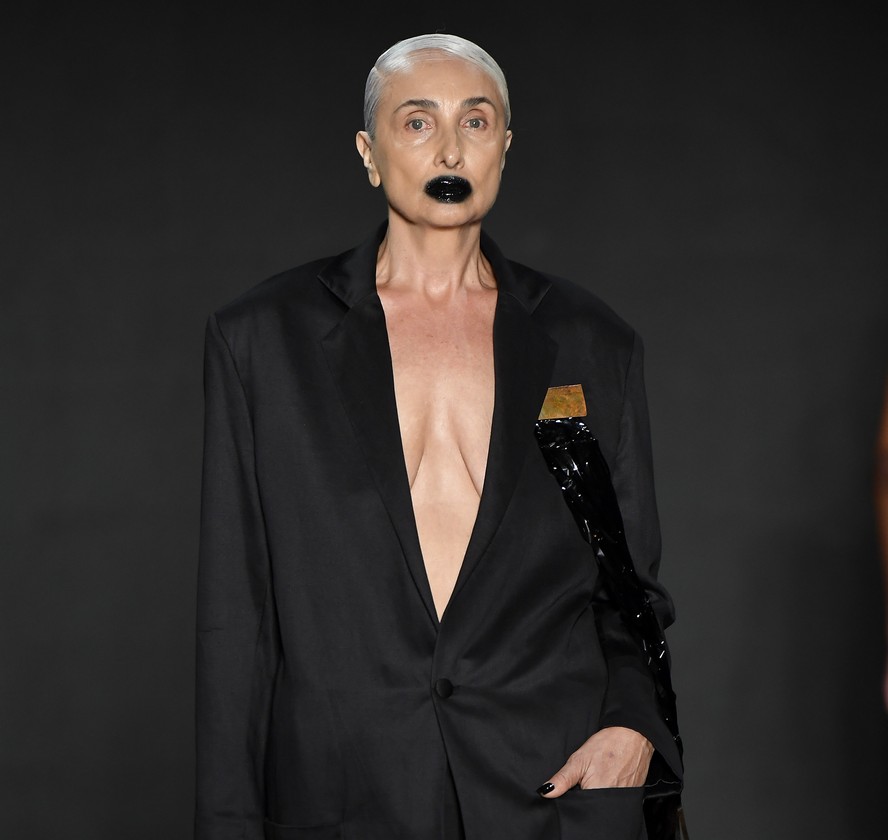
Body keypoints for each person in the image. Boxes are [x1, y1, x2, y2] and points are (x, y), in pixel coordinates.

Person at [195, 32, 683, 840]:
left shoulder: (592, 342)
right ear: (369, 153)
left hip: (548, 793)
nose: (450, 148)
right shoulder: (263, 341)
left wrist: (635, 726)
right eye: (417, 122)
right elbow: (235, 620)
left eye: (475, 122)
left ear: (505, 147)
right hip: (343, 797)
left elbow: (631, 592)